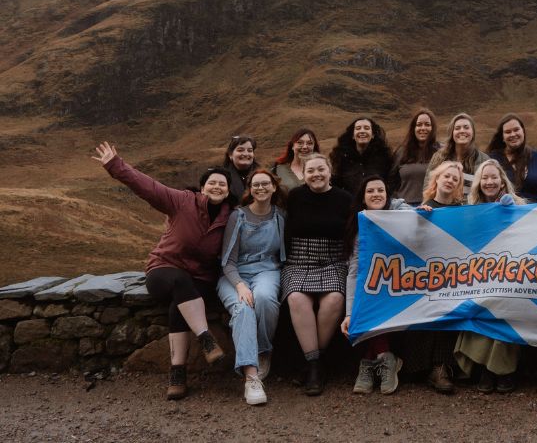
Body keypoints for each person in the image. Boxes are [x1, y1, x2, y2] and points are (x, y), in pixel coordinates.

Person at [91, 142, 230, 400]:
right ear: (202, 187)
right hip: (164, 270)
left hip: (199, 279)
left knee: (181, 302)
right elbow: (147, 187)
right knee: (179, 282)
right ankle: (206, 338)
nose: (217, 187)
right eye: (212, 182)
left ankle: (177, 372)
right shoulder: (181, 201)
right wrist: (115, 165)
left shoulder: (229, 217)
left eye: (222, 184)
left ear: (229, 190)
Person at [281, 152, 352, 396]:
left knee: (334, 298)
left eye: (321, 169)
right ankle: (315, 365)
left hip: (333, 260)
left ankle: (311, 363)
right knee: (296, 298)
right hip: (299, 260)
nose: (316, 174)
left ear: (329, 171)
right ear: (304, 175)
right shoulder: (295, 197)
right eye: (310, 171)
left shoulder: (345, 198)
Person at [216, 168, 286, 405]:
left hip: (267, 269)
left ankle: (264, 350)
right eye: (255, 184)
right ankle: (251, 377)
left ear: (274, 187)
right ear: (250, 189)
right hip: (235, 273)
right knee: (244, 308)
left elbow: (282, 255)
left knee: (265, 298)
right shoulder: (239, 216)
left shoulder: (280, 216)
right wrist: (240, 286)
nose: (260, 188)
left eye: (265, 184)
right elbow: (228, 261)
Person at [454, 160, 523, 393]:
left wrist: (513, 213)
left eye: (494, 177)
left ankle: (501, 370)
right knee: (480, 303)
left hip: (511, 274)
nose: (490, 182)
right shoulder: (470, 210)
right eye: (485, 178)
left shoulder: (519, 206)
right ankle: (483, 368)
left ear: (502, 180)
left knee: (506, 303)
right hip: (480, 275)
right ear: (478, 183)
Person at [342, 175, 411, 395]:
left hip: (403, 281)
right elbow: (354, 271)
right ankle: (384, 358)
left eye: (380, 190)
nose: (376, 195)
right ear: (363, 198)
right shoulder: (359, 226)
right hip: (373, 285)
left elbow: (415, 217)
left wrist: (422, 212)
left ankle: (369, 360)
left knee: (378, 299)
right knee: (368, 300)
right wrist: (349, 313)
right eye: (370, 191)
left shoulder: (397, 211)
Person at [407, 160, 466, 392]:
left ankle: (441, 368)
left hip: (454, 275)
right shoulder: (424, 208)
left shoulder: (462, 212)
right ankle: (419, 367)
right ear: (436, 180)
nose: (450, 180)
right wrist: (418, 221)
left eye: (455, 179)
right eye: (446, 176)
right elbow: (413, 243)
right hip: (424, 274)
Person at [486, 113, 537, 203]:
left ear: (523, 131)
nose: (513, 134)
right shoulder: (493, 159)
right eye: (508, 132)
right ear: (502, 137)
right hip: (505, 212)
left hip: (534, 213)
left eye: (516, 130)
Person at [425, 113, 490, 199]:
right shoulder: (438, 157)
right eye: (457, 128)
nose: (462, 131)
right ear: (452, 133)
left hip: (473, 210)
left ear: (473, 132)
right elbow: (428, 186)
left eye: (466, 127)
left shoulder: (484, 160)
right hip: (444, 210)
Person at [330, 117, 393, 197]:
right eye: (358, 128)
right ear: (353, 135)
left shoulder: (385, 157)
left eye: (366, 128)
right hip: (350, 205)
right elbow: (336, 184)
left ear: (373, 134)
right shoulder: (341, 157)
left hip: (377, 205)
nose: (362, 131)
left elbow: (391, 182)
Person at [388, 109, 440, 205]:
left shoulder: (440, 152)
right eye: (419, 124)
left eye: (427, 124)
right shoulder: (401, 152)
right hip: (404, 209)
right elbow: (391, 181)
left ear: (433, 128)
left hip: (432, 208)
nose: (423, 128)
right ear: (413, 128)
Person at [272, 128, 321, 192]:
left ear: (314, 147)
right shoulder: (279, 169)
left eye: (309, 143)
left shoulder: (321, 170)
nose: (305, 147)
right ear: (292, 146)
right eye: (300, 143)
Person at [222, 135, 261, 205]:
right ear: (230, 154)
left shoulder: (264, 175)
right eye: (240, 150)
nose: (246, 154)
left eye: (250, 151)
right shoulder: (222, 176)